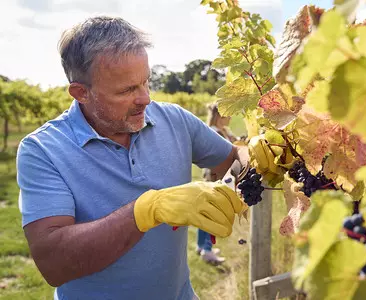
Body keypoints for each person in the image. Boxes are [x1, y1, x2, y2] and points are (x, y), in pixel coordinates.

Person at [15, 16, 250, 300]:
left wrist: (256, 153)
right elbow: (54, 263)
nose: (145, 99)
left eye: (145, 82)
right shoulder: (42, 150)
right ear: (81, 93)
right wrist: (145, 210)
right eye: (127, 90)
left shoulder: (174, 120)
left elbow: (233, 157)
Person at [196, 103, 238, 265]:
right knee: (211, 214)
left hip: (219, 177)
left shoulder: (224, 131)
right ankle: (207, 251)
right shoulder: (213, 132)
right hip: (214, 178)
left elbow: (236, 143)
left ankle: (202, 246)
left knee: (206, 212)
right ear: (221, 116)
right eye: (228, 113)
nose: (231, 117)